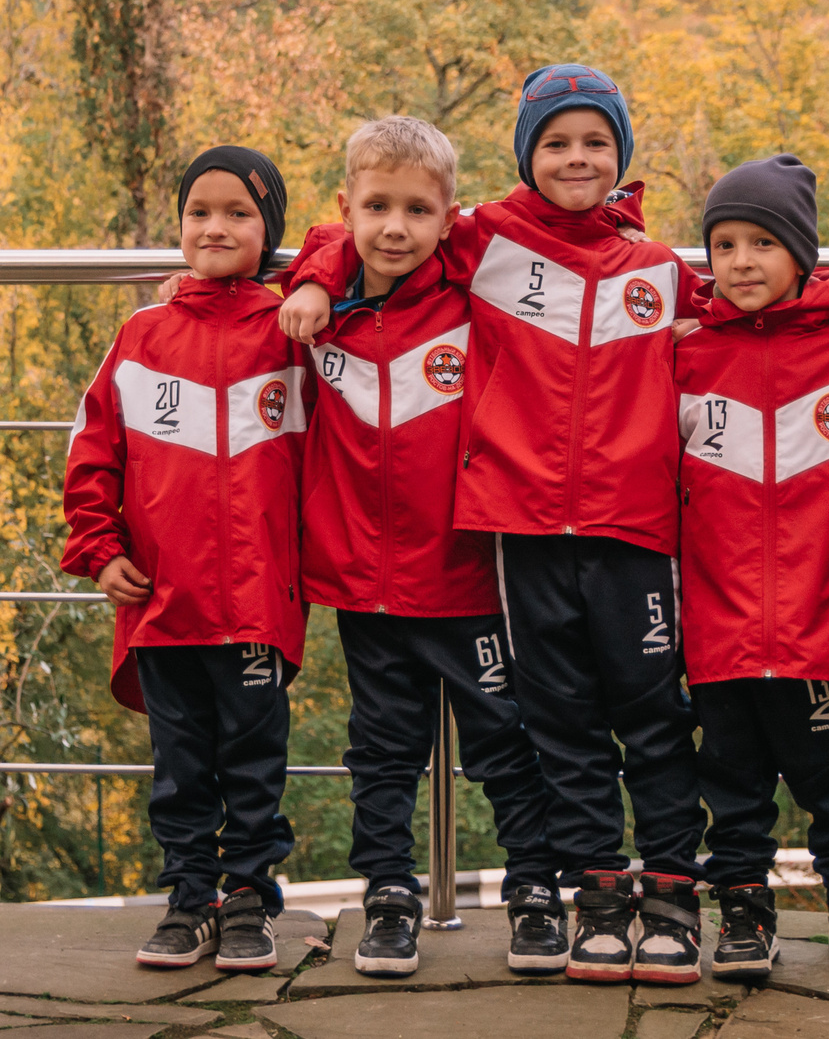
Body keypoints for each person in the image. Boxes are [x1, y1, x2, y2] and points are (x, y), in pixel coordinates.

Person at [278, 65, 708, 985]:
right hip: (510, 533)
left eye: (596, 142)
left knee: (640, 717)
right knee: (548, 724)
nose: (577, 158)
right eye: (556, 142)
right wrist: (314, 277)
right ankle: (568, 890)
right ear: (525, 156)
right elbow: (355, 226)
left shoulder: (662, 271)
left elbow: (754, 310)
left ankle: (662, 890)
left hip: (622, 532)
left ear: (624, 154)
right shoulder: (489, 239)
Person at [290, 115, 565, 978]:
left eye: (418, 209)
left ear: (451, 217)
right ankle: (389, 898)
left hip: (467, 576)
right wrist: (315, 273)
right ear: (347, 209)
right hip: (363, 582)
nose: (395, 227)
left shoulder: (472, 295)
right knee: (380, 749)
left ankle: (534, 894)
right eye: (376, 207)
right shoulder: (323, 313)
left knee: (504, 742)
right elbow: (321, 243)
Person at [61, 146, 308, 975]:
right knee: (179, 768)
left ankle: (247, 898)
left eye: (239, 213)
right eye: (199, 210)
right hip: (162, 600)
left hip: (256, 604)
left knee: (253, 759)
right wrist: (98, 550)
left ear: (267, 229)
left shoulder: (292, 332)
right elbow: (93, 450)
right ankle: (187, 895)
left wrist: (307, 282)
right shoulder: (142, 334)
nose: (215, 226)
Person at [672, 154, 829, 983]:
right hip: (718, 622)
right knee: (731, 785)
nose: (741, 261)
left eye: (764, 242)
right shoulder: (687, 359)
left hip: (823, 619)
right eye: (724, 243)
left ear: (802, 255)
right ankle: (742, 910)